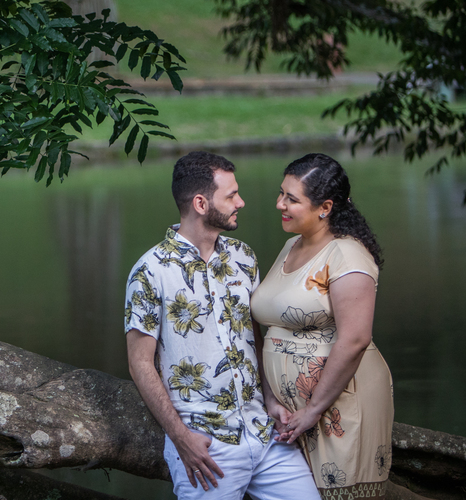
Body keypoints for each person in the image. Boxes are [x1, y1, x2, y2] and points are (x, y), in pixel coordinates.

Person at [124, 151, 319, 500]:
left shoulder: (243, 257)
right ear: (201, 204)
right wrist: (181, 438)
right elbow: (140, 363)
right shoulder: (150, 271)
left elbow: (255, 337)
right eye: (231, 196)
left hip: (265, 434)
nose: (240, 202)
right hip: (207, 447)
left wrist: (271, 399)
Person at [251, 153, 394, 498]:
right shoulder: (292, 245)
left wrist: (313, 410)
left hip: (338, 405)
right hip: (289, 413)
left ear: (325, 207)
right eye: (281, 193)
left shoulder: (347, 255)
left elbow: (355, 339)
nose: (279, 204)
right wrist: (270, 397)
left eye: (291, 198)